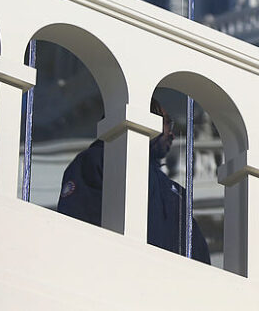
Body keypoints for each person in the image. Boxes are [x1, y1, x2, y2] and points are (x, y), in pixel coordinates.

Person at [57, 99, 211, 264]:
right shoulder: (96, 160)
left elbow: (198, 254)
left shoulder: (174, 191)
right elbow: (76, 224)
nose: (172, 134)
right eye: (168, 124)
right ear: (147, 120)